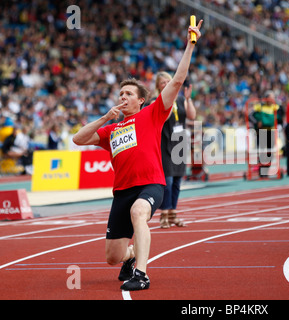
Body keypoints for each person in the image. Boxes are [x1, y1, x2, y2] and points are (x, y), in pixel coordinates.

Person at [72, 20, 203, 290]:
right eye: (120, 93)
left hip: (151, 183)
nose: (123, 97)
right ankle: (130, 258)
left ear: (141, 99)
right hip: (122, 190)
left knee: (139, 211)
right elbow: (78, 138)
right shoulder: (111, 129)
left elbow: (178, 81)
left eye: (128, 93)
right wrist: (104, 117)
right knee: (112, 256)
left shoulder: (152, 113)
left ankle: (141, 274)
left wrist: (191, 44)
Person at [151, 72, 196, 228]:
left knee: (177, 181)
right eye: (163, 83)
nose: (166, 84)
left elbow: (192, 115)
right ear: (158, 86)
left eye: (168, 81)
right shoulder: (156, 101)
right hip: (164, 144)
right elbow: (163, 116)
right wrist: (169, 99)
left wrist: (188, 99)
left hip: (180, 144)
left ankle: (173, 214)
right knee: (167, 181)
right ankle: (164, 214)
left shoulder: (181, 99)